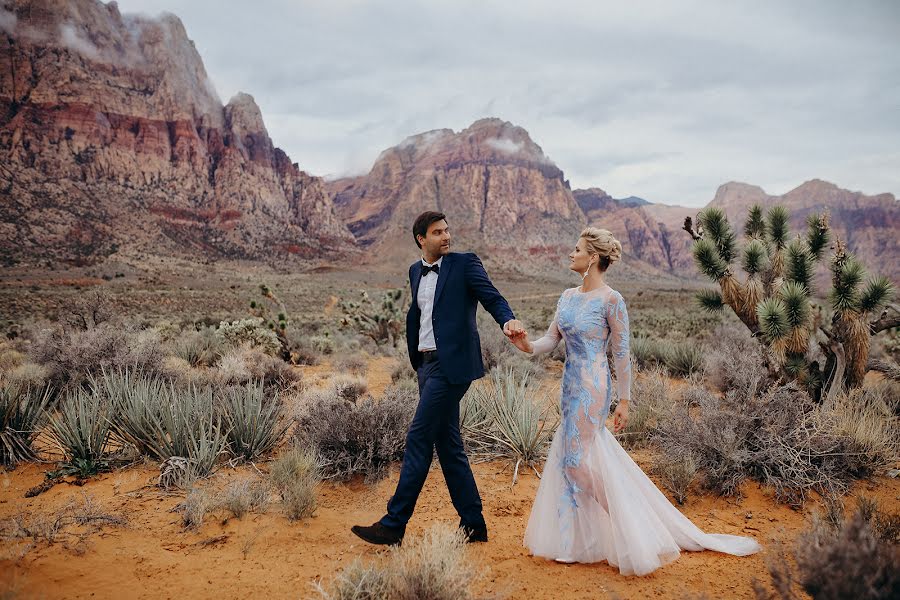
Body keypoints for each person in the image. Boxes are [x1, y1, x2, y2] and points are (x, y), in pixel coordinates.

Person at [508, 227, 760, 575]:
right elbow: (549, 342)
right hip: (568, 387)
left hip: (593, 388)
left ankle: (629, 527)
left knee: (575, 463)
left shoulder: (612, 300)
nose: (571, 253)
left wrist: (624, 401)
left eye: (576, 249)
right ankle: (577, 542)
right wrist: (523, 344)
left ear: (592, 257)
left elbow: (622, 355)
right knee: (573, 461)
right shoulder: (566, 296)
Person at [351, 211, 525, 546]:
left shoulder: (464, 263)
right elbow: (418, 314)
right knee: (448, 446)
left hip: (452, 366)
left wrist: (508, 320)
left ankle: (394, 524)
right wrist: (416, 360)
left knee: (418, 437)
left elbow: (492, 297)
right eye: (437, 232)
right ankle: (473, 525)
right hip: (426, 366)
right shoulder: (415, 271)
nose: (446, 237)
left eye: (447, 230)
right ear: (421, 238)